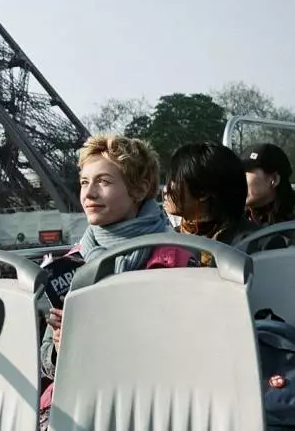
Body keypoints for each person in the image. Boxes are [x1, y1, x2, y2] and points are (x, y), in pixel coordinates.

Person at [38, 135, 194, 429]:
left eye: (104, 181)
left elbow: (186, 354)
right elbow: (48, 364)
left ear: (140, 189)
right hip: (78, 404)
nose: (89, 193)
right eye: (84, 182)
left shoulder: (176, 259)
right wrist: (61, 346)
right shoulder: (71, 264)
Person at [164, 142, 258, 265]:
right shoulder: (168, 241)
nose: (166, 189)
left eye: (174, 180)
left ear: (202, 193)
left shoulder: (254, 245)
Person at [238, 143, 295, 252]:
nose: (237, 179)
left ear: (274, 180)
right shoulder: (233, 218)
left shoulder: (290, 226)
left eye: (245, 174)